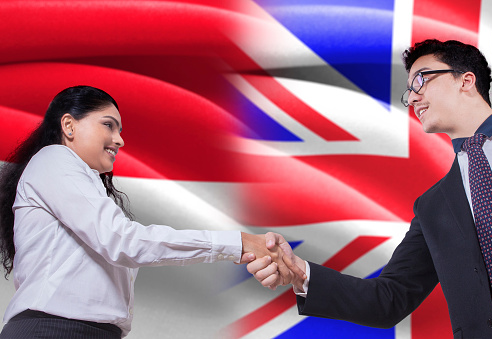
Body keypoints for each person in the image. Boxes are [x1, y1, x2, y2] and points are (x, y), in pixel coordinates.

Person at [247, 39, 492, 338]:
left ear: (466, 80)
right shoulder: (434, 207)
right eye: (408, 91)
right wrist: (300, 272)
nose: (411, 99)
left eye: (421, 80)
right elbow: (388, 299)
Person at [0, 85, 301, 339]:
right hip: (54, 330)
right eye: (108, 124)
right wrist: (240, 243)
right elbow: (124, 242)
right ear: (69, 126)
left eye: (119, 129)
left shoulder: (75, 186)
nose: (119, 139)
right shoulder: (55, 159)